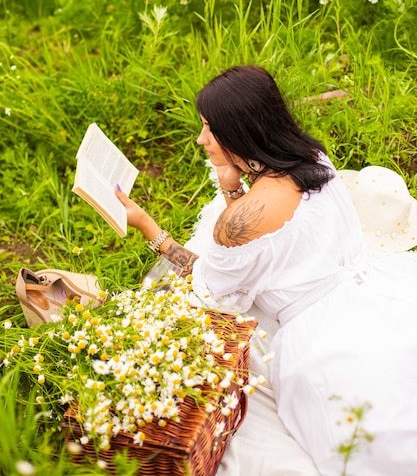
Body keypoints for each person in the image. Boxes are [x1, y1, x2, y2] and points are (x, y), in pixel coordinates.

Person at [116, 65, 417, 476]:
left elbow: (213, 293)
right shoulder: (314, 157)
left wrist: (150, 229)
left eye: (208, 128)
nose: (200, 139)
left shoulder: (241, 222)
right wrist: (231, 185)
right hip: (376, 294)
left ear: (240, 132)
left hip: (323, 341)